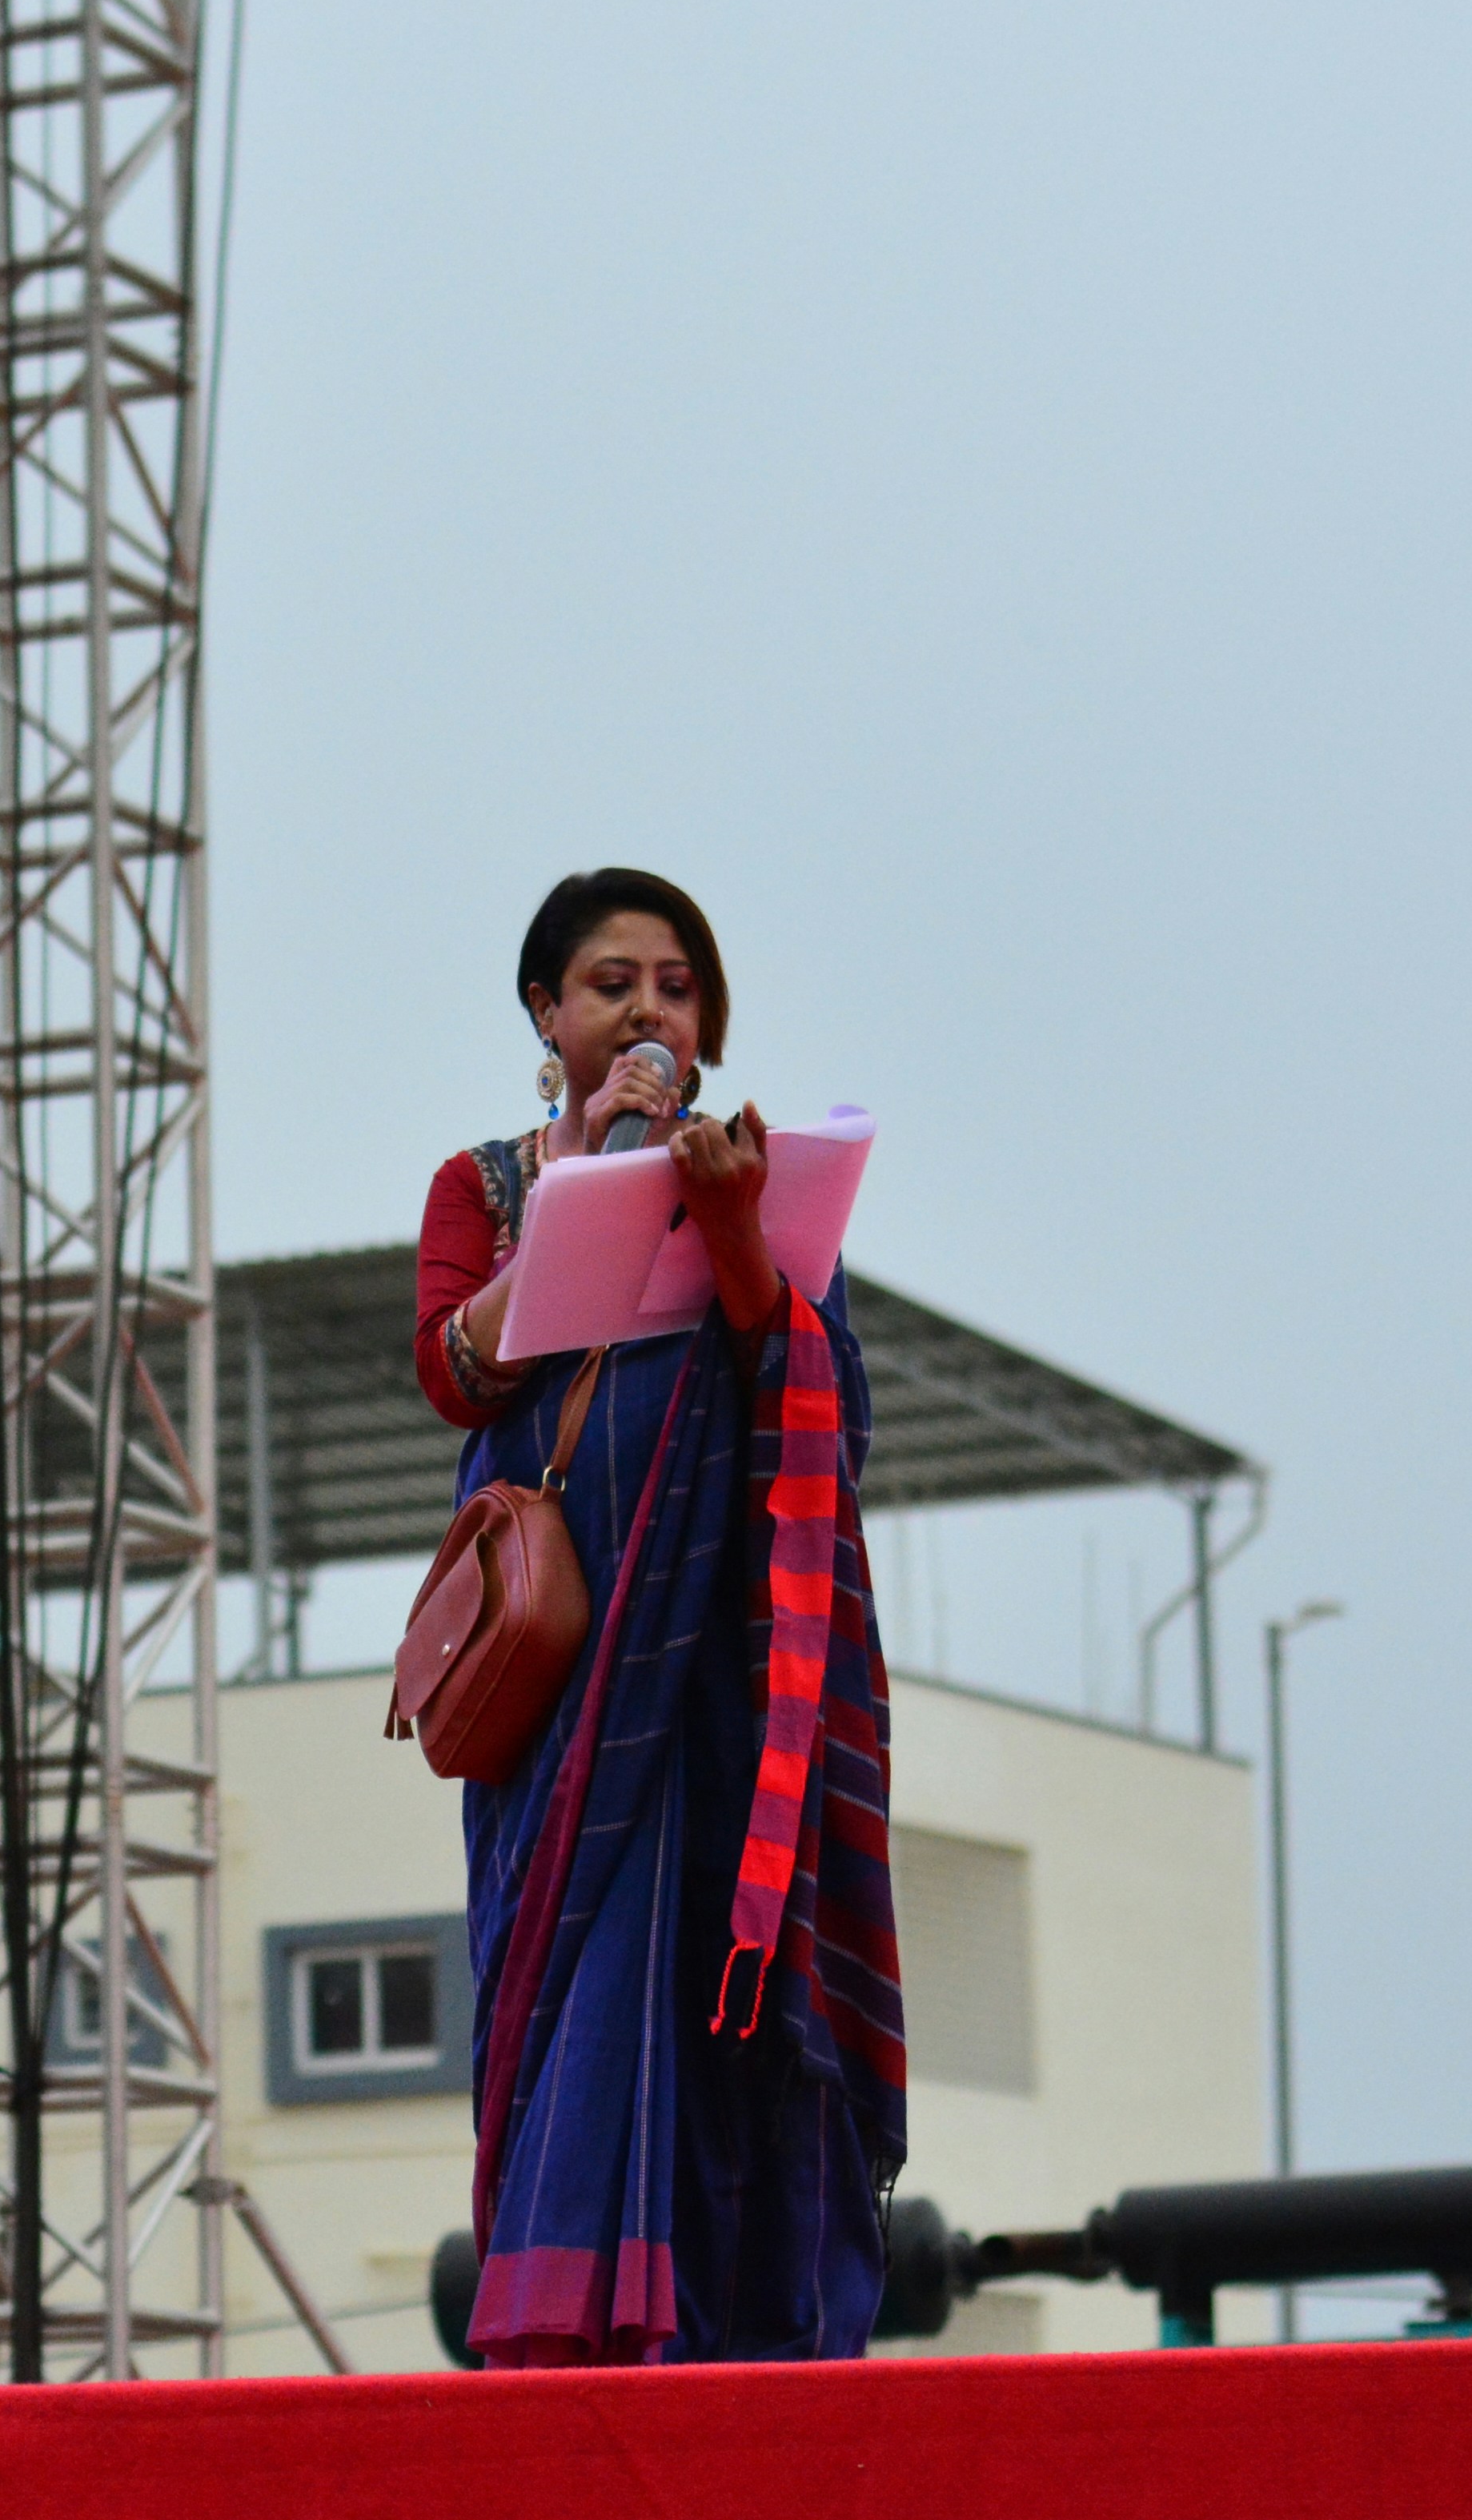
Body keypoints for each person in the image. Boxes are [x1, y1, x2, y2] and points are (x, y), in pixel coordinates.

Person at [415, 868, 906, 2365]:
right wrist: (581, 1187)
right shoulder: (483, 1184)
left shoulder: (741, 1163)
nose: (646, 1007)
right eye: (611, 982)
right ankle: (572, 2335)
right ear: (545, 1012)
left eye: (675, 986)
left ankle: (741, 2332)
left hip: (721, 1681)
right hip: (566, 1679)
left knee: (726, 1976)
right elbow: (451, 1373)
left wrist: (730, 1221)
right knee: (575, 1975)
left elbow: (817, 1396)